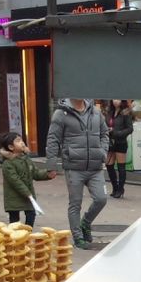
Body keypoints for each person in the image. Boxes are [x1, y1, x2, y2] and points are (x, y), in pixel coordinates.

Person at [45, 98, 109, 249]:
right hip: (73, 167)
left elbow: (105, 133)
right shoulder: (61, 114)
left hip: (95, 166)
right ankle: (78, 237)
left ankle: (85, 223)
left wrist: (102, 152)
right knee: (75, 203)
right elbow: (53, 139)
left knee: (101, 199)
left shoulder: (95, 112)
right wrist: (51, 165)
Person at [0, 130, 57, 228]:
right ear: (11, 147)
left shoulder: (26, 159)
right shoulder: (8, 163)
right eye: (18, 141)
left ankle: (27, 233)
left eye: (21, 140)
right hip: (14, 197)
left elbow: (35, 172)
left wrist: (47, 175)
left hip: (28, 197)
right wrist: (27, 193)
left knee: (31, 215)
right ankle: (15, 238)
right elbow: (15, 181)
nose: (22, 142)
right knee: (14, 221)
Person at [105, 99, 134, 199]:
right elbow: (106, 124)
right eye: (114, 99)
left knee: (121, 166)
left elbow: (130, 129)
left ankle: (120, 189)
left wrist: (117, 133)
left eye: (118, 99)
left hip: (120, 142)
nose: (115, 101)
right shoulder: (110, 112)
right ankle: (115, 187)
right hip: (110, 142)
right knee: (109, 165)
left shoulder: (125, 113)